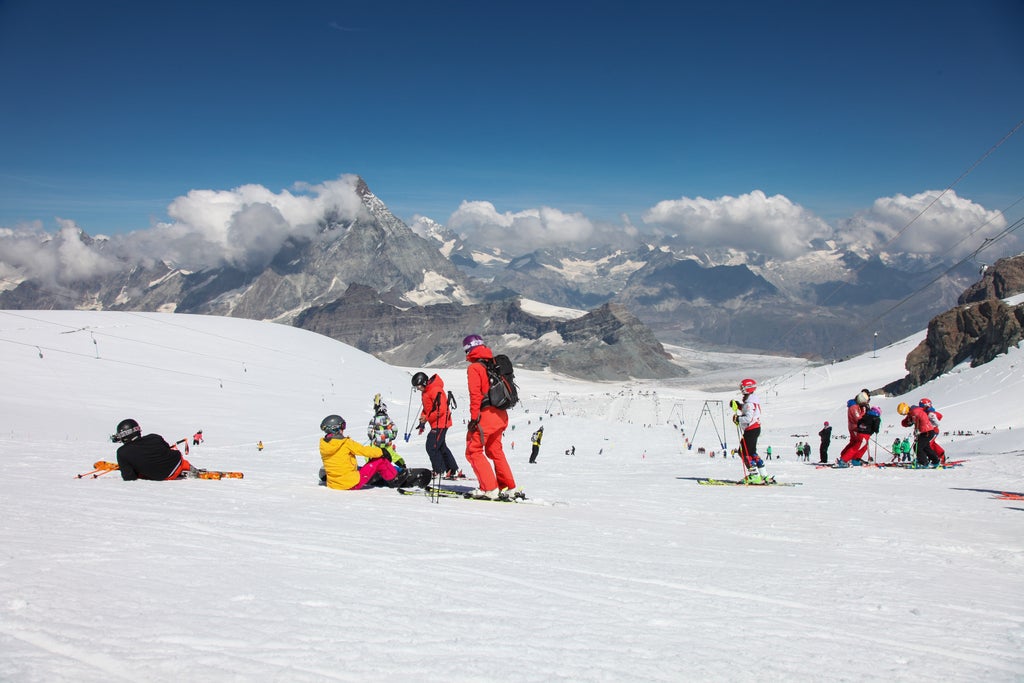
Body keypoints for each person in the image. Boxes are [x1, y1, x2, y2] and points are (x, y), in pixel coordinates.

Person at [462, 334, 520, 500]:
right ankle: (508, 487)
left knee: (473, 451)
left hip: (486, 417)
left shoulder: (475, 368)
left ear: (468, 349)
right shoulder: (493, 364)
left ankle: (489, 489)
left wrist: (474, 419)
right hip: (501, 415)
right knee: (495, 450)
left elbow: (475, 396)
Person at [318, 414, 430, 490]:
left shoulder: (324, 445)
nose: (344, 429)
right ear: (336, 428)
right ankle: (395, 478)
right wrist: (382, 451)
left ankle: (383, 473)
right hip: (351, 483)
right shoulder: (345, 443)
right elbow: (364, 451)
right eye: (343, 426)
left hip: (335, 484)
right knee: (380, 461)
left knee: (360, 466)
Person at [412, 371, 463, 478]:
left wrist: (426, 418)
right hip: (435, 423)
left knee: (431, 446)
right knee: (441, 446)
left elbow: (441, 410)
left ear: (424, 382)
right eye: (417, 387)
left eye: (419, 386)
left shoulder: (435, 390)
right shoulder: (426, 391)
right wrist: (422, 420)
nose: (418, 389)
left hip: (441, 423)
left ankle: (440, 470)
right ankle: (452, 469)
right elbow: (427, 408)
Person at [111, 418, 192, 481]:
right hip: (177, 465)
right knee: (173, 455)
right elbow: (166, 449)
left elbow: (129, 477)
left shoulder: (122, 452)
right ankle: (189, 468)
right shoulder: (154, 437)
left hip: (160, 476)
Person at [733, 378, 771, 484]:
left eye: (742, 387)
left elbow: (748, 418)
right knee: (752, 452)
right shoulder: (751, 401)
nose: (741, 389)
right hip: (754, 429)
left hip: (751, 429)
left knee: (744, 452)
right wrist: (739, 405)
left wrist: (738, 418)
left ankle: (754, 475)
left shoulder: (750, 403)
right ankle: (764, 475)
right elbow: (747, 410)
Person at [367, 396, 407, 469]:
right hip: (387, 443)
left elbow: (370, 430)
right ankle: (403, 466)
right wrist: (393, 436)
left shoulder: (374, 420)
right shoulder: (388, 420)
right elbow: (395, 428)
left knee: (369, 453)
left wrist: (371, 437)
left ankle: (369, 467)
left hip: (377, 444)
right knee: (393, 455)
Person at [898, 401, 941, 467]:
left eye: (903, 413)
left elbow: (923, 420)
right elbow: (909, 422)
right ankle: (935, 461)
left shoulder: (915, 411)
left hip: (927, 431)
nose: (903, 415)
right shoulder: (912, 412)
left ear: (905, 410)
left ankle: (923, 462)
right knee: (926, 447)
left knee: (917, 447)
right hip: (926, 431)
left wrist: (919, 430)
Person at [837, 389, 872, 467]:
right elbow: (858, 419)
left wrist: (863, 410)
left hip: (856, 427)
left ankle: (847, 457)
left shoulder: (857, 405)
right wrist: (866, 416)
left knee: (854, 443)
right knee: (860, 443)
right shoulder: (854, 407)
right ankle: (846, 459)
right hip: (855, 428)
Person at [919, 398, 946, 465]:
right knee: (931, 444)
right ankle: (939, 455)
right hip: (927, 431)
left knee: (927, 444)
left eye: (922, 406)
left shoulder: (930, 413)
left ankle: (937, 457)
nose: (921, 407)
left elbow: (938, 420)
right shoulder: (925, 412)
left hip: (933, 430)